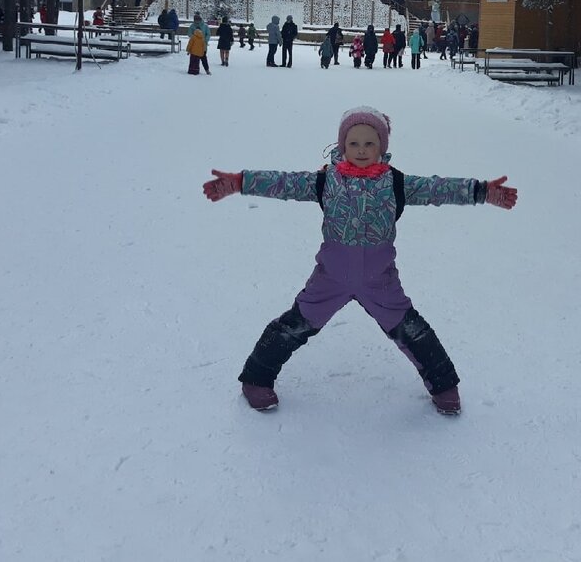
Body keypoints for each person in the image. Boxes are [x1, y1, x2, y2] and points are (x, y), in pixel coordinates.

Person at [202, 106, 518, 415]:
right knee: (295, 325)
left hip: (380, 280)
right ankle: (256, 379)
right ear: (342, 146)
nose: (362, 150)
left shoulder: (396, 183)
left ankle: (445, 387)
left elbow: (439, 188)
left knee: (411, 330)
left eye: (370, 143)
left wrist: (481, 191)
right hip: (331, 278)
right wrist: (240, 182)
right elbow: (282, 182)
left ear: (382, 146)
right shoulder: (326, 182)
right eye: (354, 143)